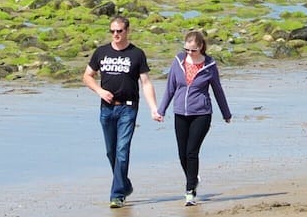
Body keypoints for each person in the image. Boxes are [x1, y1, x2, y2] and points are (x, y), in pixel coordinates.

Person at [82, 16, 157, 209]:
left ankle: (117, 195)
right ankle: (125, 184)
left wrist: (153, 108)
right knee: (111, 152)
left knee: (122, 151)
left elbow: (146, 83)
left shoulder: (136, 54)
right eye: (112, 31)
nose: (116, 34)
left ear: (127, 31)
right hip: (106, 109)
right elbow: (87, 76)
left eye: (119, 31)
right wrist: (99, 91)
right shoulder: (101, 52)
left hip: (128, 108)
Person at [152, 30, 232, 207]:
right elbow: (170, 88)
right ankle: (193, 178)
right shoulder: (178, 61)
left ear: (201, 47)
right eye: (186, 49)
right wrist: (161, 110)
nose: (189, 53)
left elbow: (217, 90)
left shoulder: (209, 66)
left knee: (191, 152)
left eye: (193, 50)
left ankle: (190, 192)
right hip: (180, 113)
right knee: (182, 154)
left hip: (202, 114)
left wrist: (226, 113)